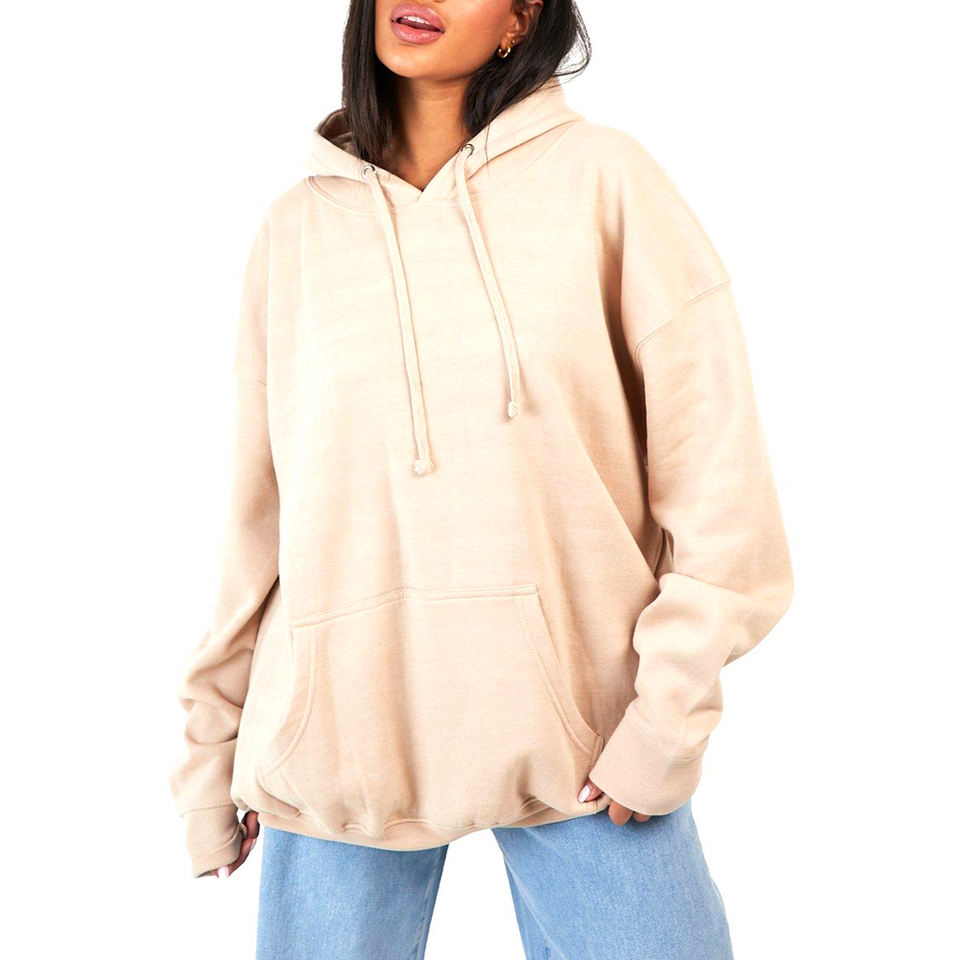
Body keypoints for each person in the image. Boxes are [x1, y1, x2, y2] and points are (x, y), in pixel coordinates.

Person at [168, 1, 794, 957]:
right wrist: (208, 754)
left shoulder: (606, 183)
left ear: (522, 16)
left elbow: (723, 495)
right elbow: (255, 522)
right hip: (336, 751)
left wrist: (665, 723)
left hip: (590, 746)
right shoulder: (295, 230)